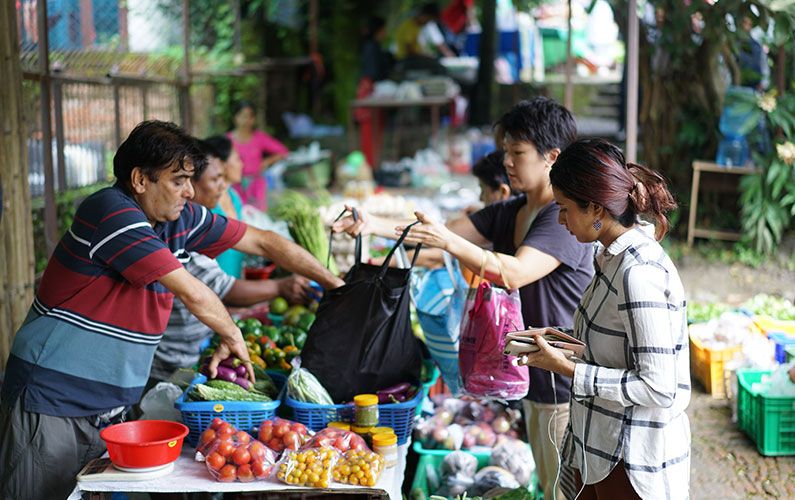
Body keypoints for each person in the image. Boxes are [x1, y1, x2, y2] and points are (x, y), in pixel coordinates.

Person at [0, 120, 344, 500]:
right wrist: (233, 334)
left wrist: (336, 286)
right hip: (51, 402)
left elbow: (262, 242)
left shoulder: (178, 219)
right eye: (178, 180)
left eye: (191, 179)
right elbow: (194, 292)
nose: (190, 191)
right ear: (140, 180)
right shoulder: (110, 211)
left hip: (108, 409)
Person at [335, 98, 594, 500]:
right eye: (506, 151)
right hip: (534, 380)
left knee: (567, 493)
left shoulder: (561, 218)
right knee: (547, 487)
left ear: (551, 157)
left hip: (565, 387)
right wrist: (374, 224)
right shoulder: (511, 211)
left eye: (517, 153)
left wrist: (449, 242)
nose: (507, 162)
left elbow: (513, 270)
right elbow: (434, 230)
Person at [516, 138, 689, 499]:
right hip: (599, 448)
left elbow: (657, 387)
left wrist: (567, 369)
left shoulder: (638, 274)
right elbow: (614, 347)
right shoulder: (608, 257)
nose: (560, 220)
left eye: (563, 208)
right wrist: (557, 340)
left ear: (595, 208)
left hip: (631, 461)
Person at [149, 142, 313, 385]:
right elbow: (216, 289)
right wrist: (280, 288)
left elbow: (259, 242)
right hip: (171, 359)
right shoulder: (174, 231)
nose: (223, 186)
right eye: (216, 179)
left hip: (197, 340)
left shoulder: (209, 212)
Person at [227, 101, 289, 211]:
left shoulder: (259, 138)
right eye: (242, 116)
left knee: (257, 217)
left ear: (253, 119)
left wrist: (266, 162)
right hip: (235, 187)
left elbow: (283, 151)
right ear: (235, 118)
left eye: (249, 116)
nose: (246, 120)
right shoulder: (227, 140)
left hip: (256, 186)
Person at [204, 134, 247, 277]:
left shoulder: (234, 197)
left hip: (236, 286)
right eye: (236, 158)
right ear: (220, 163)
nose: (241, 164)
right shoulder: (206, 205)